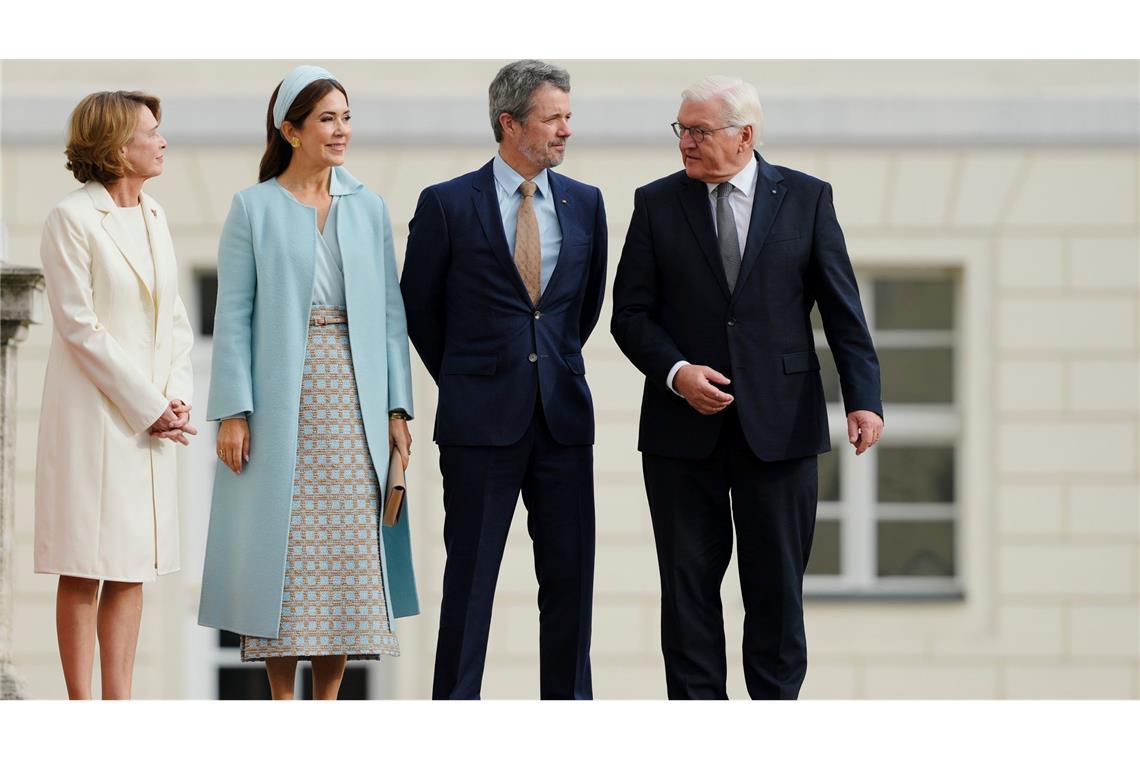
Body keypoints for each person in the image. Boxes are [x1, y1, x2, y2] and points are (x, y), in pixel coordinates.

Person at [610, 75, 884, 700]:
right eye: (681, 129)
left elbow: (843, 310)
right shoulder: (655, 204)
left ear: (745, 136)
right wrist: (678, 373)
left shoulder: (807, 198)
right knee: (687, 596)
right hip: (683, 436)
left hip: (781, 428)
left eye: (699, 131)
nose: (685, 142)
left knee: (777, 593)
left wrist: (864, 396)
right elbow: (630, 314)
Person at [197, 65, 417, 700]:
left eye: (347, 117)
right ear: (290, 130)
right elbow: (232, 312)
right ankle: (281, 704)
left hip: (354, 395)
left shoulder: (368, 204)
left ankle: (326, 707)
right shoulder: (253, 207)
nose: (341, 130)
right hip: (278, 397)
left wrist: (397, 408)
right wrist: (234, 411)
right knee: (284, 551)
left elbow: (390, 314)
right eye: (327, 118)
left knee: (348, 553)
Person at [401, 59, 607, 700]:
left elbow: (585, 306)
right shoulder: (445, 203)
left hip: (564, 420)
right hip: (479, 424)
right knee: (469, 582)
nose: (566, 130)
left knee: (571, 586)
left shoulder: (587, 203)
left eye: (569, 117)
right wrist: (469, 377)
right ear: (510, 123)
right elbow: (420, 309)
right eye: (553, 118)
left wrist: (550, 368)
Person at [35, 90, 197, 699]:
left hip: (150, 419)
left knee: (132, 567)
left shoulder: (155, 217)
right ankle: (84, 709)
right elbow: (80, 326)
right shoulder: (71, 218)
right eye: (150, 133)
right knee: (85, 566)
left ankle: (119, 704)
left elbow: (175, 320)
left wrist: (175, 397)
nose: (161, 141)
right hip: (94, 421)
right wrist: (149, 406)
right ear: (115, 147)